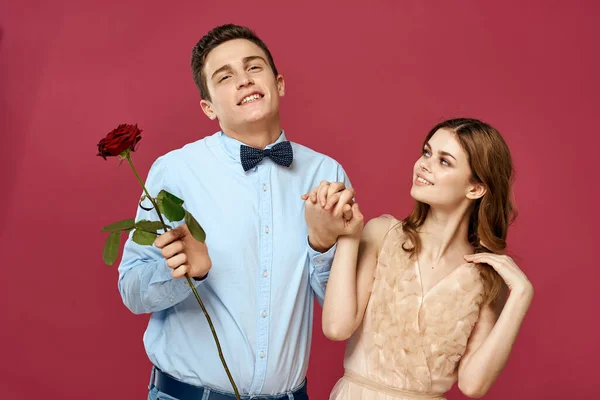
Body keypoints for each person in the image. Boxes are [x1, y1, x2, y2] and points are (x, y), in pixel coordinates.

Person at [118, 24, 353, 400]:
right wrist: (182, 274)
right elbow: (131, 289)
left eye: (253, 67)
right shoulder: (175, 171)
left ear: (279, 84)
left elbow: (341, 311)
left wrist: (323, 245)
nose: (243, 80)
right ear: (208, 107)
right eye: (225, 77)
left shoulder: (326, 174)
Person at [313, 118, 534, 399]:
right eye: (427, 152)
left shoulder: (485, 275)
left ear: (476, 188)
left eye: (444, 161)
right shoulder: (381, 234)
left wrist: (522, 295)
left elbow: (473, 385)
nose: (423, 165)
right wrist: (348, 237)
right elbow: (336, 327)